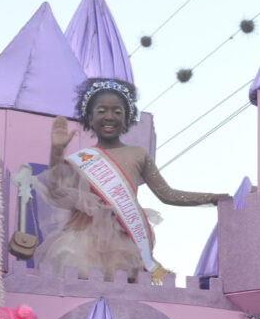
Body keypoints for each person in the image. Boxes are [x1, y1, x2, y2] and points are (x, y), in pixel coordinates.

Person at [35, 77, 229, 282]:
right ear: (90, 118)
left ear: (127, 118)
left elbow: (167, 194)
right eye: (101, 111)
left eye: (117, 111)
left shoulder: (138, 154)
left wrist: (211, 197)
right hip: (82, 236)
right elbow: (57, 192)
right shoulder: (83, 159)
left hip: (123, 237)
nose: (109, 116)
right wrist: (57, 151)